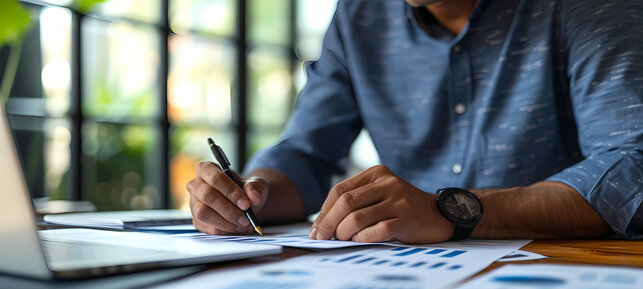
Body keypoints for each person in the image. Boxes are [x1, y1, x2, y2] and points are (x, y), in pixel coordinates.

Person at [187, 0, 642, 244]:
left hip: (563, 275)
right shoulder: (359, 15)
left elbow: (631, 166)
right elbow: (305, 153)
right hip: (407, 282)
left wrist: (449, 210)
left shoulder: (585, 7)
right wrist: (251, 195)